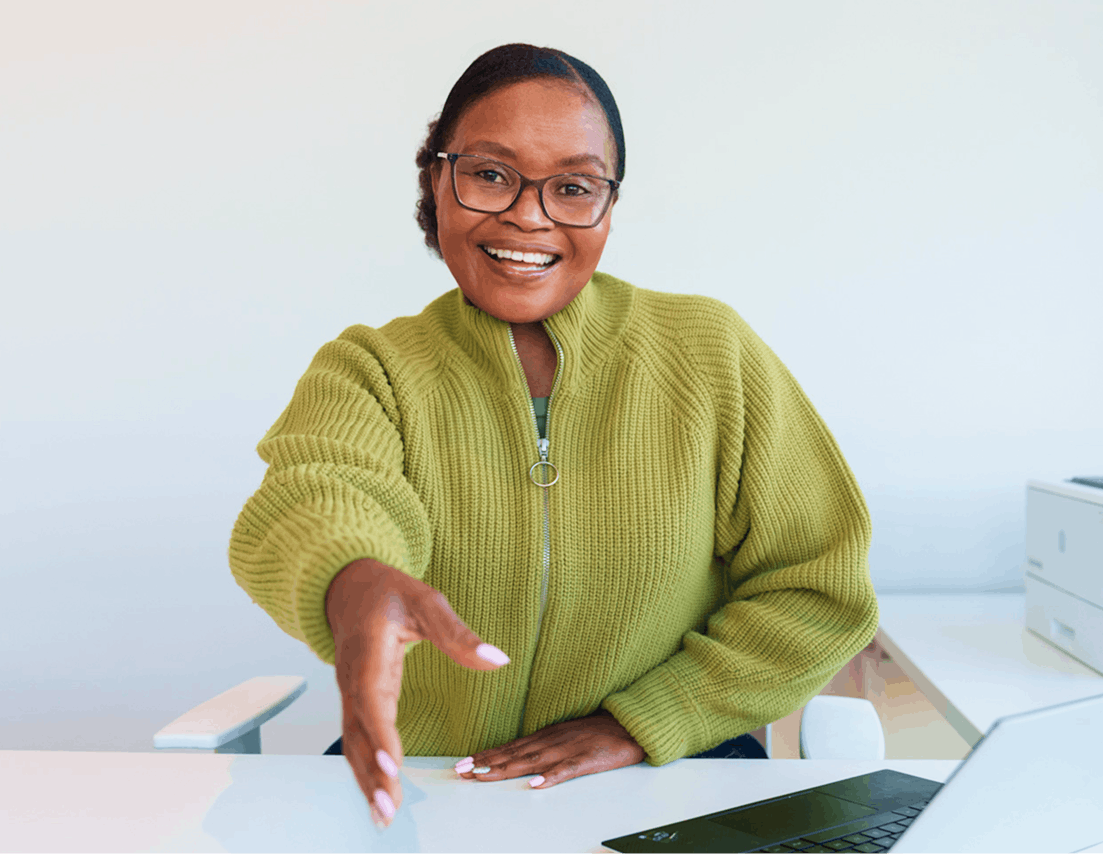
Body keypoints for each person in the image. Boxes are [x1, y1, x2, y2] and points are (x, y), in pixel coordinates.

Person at [229, 43, 879, 831]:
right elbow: (320, 493)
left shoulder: (711, 353)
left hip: (673, 780)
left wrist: (646, 720)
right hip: (433, 789)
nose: (528, 215)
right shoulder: (371, 367)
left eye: (572, 186)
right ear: (437, 180)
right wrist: (355, 579)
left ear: (608, 204)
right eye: (491, 174)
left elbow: (815, 584)